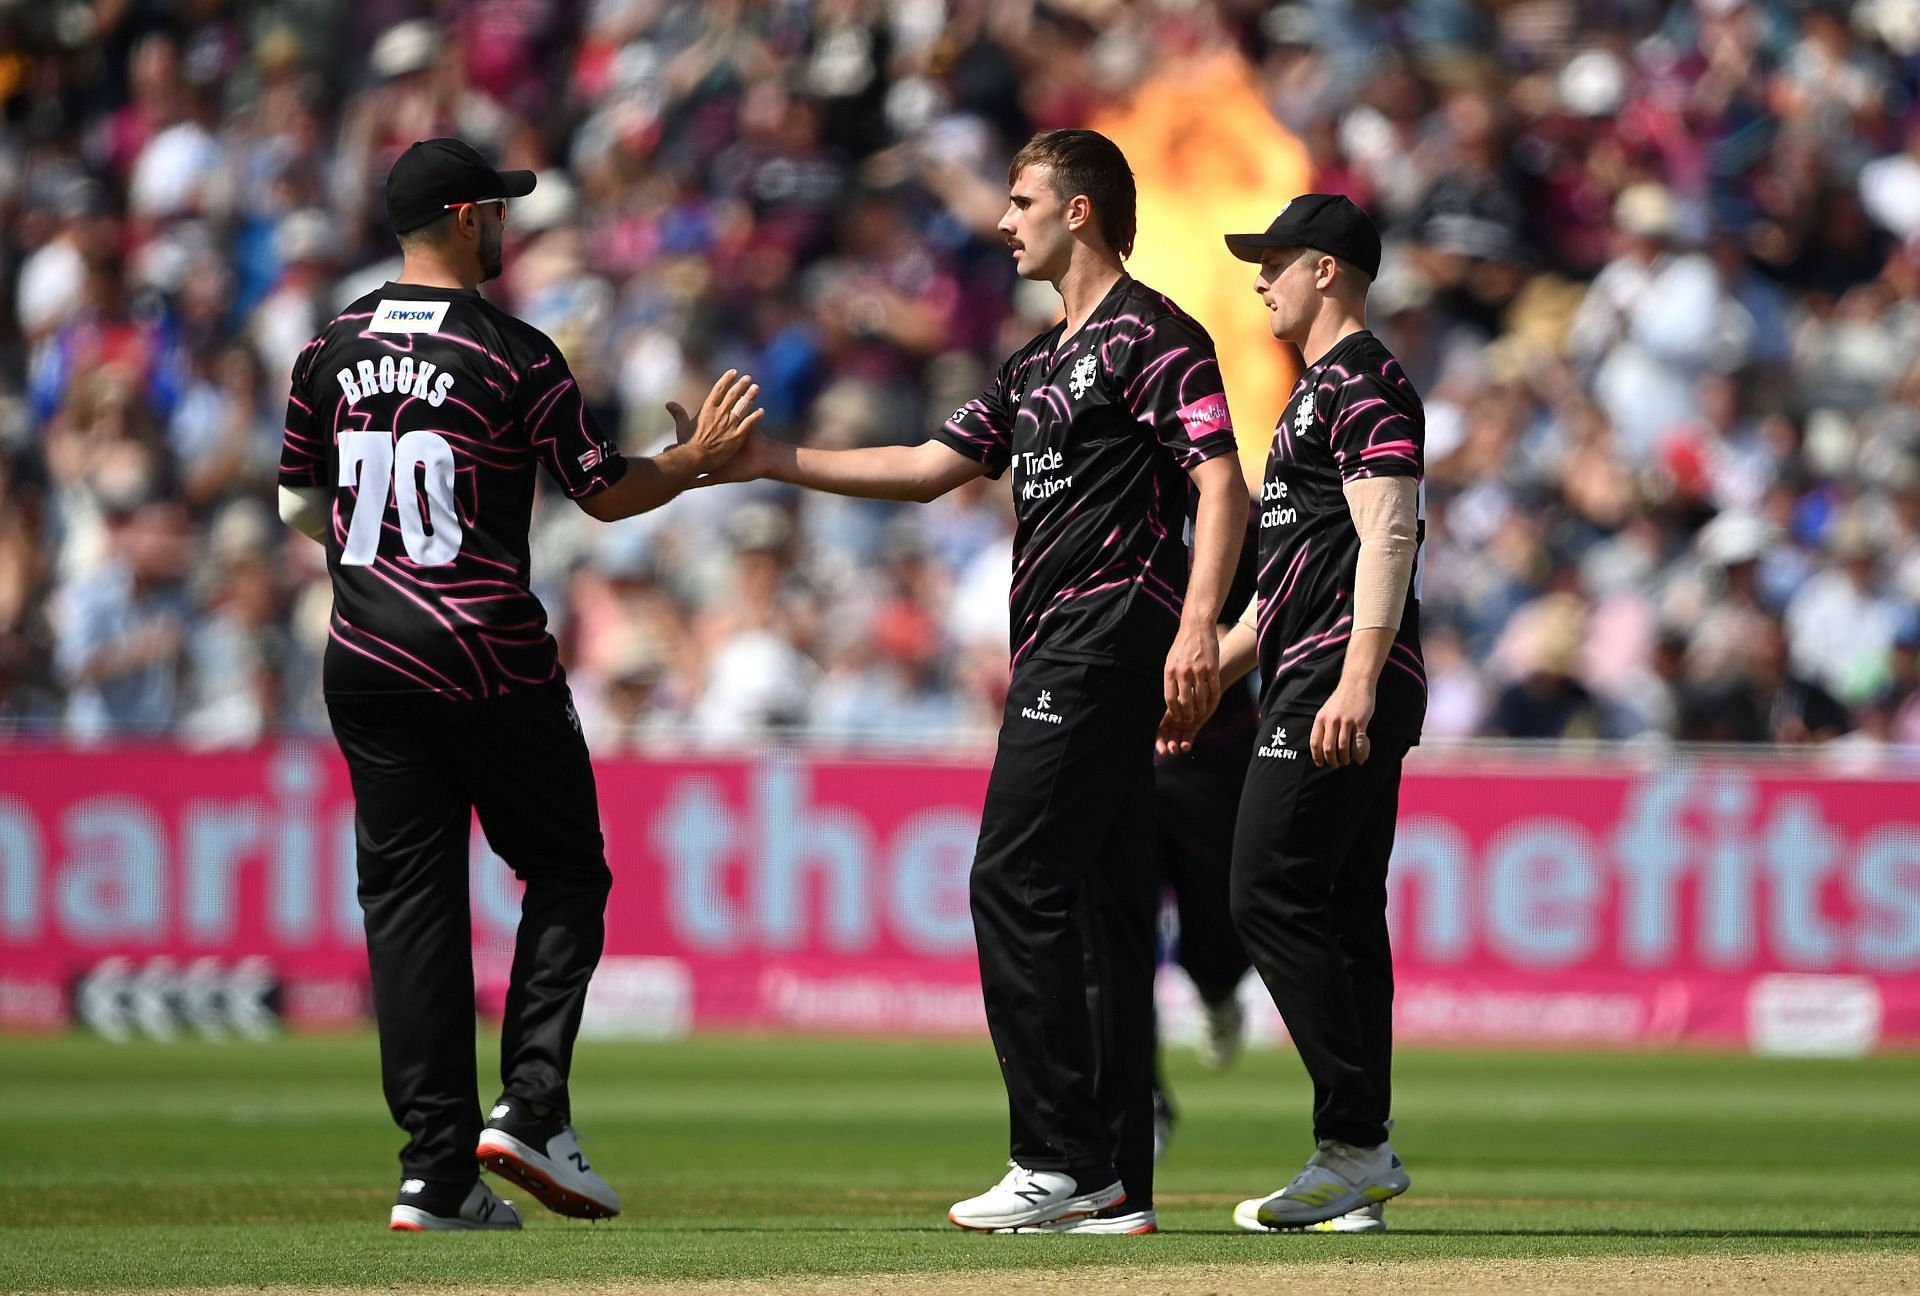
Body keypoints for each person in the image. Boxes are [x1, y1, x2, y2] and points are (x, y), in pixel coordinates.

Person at [704, 129, 1248, 1235]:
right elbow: (920, 471)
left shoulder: (1153, 334)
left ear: (1081, 212)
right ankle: (1114, 1184)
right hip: (1056, 648)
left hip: (1106, 638)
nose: (1002, 222)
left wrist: (1199, 627)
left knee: (1009, 881)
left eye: (1021, 200)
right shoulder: (1034, 364)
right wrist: (769, 461)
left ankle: (1051, 1156)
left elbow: (1222, 481)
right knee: (1099, 909)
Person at [276, 137, 761, 1232]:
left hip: (364, 658)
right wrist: (692, 461)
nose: (509, 225)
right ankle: (531, 1108)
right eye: (497, 209)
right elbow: (598, 492)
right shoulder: (515, 354)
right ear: (461, 218)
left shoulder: (327, 345)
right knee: (566, 870)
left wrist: (377, 566)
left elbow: (298, 509)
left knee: (409, 912)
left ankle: (435, 1173)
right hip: (487, 654)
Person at [1164, 194, 1425, 1232]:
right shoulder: (1319, 392)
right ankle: (1355, 1159)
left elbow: (1389, 532)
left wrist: (1357, 680)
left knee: (1265, 889)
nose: (1258, 279)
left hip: (1339, 676)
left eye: (1273, 262)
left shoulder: (1363, 380)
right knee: (1344, 910)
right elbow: (1288, 584)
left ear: (1325, 270)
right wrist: (1215, 673)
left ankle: (1355, 1142)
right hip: (1314, 664)